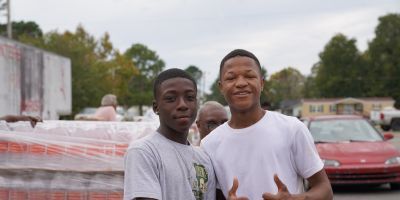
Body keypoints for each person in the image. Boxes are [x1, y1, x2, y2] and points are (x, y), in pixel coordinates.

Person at [201, 49, 333, 200]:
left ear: (262, 83)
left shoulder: (291, 129)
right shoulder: (209, 145)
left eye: (250, 76)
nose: (241, 83)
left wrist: (293, 199)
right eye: (231, 78)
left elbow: (325, 190)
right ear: (221, 87)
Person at [123, 68, 216, 200]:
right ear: (156, 107)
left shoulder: (204, 159)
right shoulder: (144, 152)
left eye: (190, 98)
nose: (182, 105)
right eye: (171, 99)